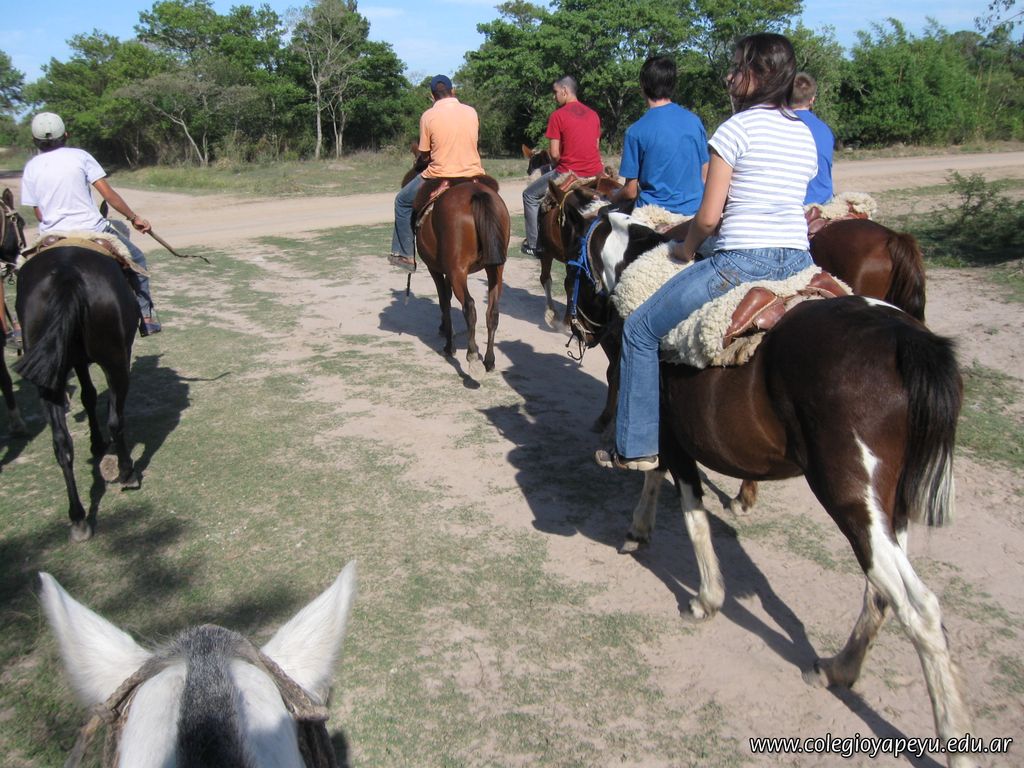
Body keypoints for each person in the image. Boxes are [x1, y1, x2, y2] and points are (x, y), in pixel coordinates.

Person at [596, 33, 818, 471]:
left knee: (639, 329)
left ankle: (636, 447)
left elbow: (710, 217)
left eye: (737, 67)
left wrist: (686, 247)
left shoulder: (735, 129)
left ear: (760, 74)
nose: (729, 76)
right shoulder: (804, 132)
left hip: (741, 262)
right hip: (799, 259)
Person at [20, 112, 161, 335]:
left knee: (25, 271)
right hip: (92, 229)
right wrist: (134, 218)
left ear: (34, 141)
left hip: (52, 234)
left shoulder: (31, 167)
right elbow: (109, 195)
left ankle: (20, 326)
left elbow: (39, 213)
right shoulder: (80, 156)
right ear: (66, 135)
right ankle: (146, 316)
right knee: (138, 261)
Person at [388, 75, 485, 272]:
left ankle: (405, 255)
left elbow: (425, 155)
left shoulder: (428, 116)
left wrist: (422, 159)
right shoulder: (471, 112)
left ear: (432, 96)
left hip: (440, 175)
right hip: (473, 173)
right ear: (453, 91)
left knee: (402, 201)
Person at [612, 55, 709, 215]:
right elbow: (705, 176)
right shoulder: (694, 122)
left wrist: (612, 197)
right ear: (672, 85)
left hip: (653, 214)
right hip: (693, 213)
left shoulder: (635, 131)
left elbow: (630, 191)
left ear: (643, 86)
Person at [521, 76, 604, 257]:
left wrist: (558, 163)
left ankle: (533, 244)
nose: (554, 96)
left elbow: (555, 154)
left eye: (555, 92)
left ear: (565, 91)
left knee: (529, 195)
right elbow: (596, 147)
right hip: (596, 172)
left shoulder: (557, 116)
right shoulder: (593, 114)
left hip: (568, 172)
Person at [792, 71, 835, 205]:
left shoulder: (779, 124)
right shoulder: (825, 129)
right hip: (823, 200)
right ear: (812, 99)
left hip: (796, 202)